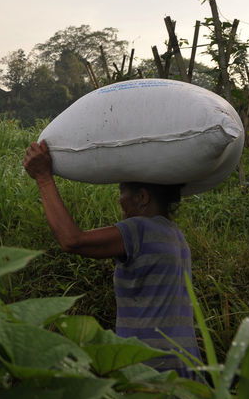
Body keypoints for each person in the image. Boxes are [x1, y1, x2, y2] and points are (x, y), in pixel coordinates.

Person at [22, 140, 202, 380]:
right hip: (185, 365)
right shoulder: (174, 234)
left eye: (122, 192)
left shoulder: (139, 229)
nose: (119, 200)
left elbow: (72, 240)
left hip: (148, 367)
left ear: (142, 197)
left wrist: (44, 179)